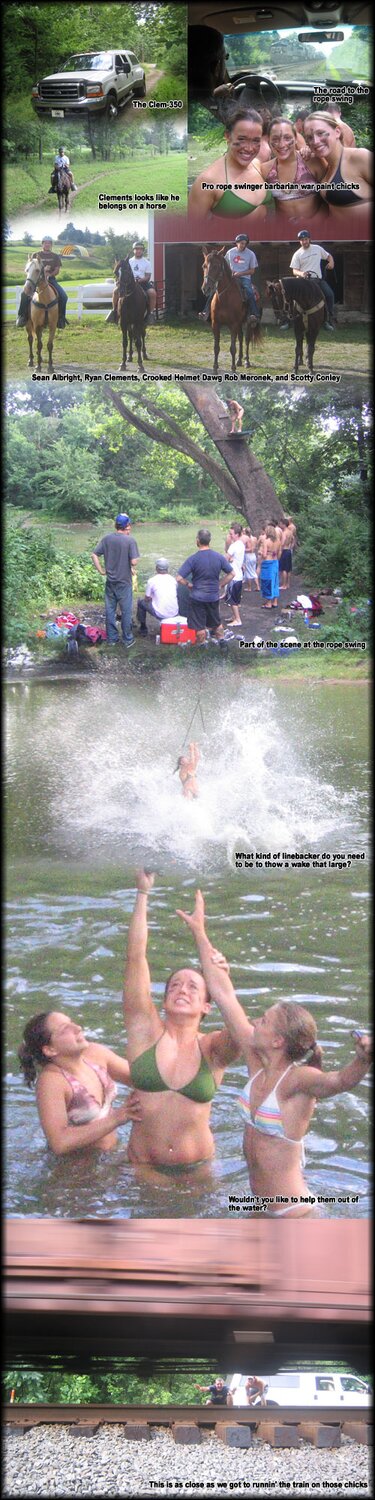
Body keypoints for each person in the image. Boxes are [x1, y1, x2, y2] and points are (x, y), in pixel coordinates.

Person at [175, 889, 372, 1218]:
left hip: (293, 1214)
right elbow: (223, 993)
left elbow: (338, 1081)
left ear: (279, 1040)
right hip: (258, 1207)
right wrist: (200, 933)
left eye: (263, 1021)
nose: (254, 1022)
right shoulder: (257, 1061)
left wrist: (363, 1060)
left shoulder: (297, 1079)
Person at [122, 869, 240, 1167]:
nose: (181, 990)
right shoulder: (145, 1031)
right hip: (142, 1169)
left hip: (198, 1172)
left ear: (206, 1006)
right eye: (174, 985)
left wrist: (218, 969)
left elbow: (239, 1026)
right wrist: (142, 894)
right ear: (163, 1001)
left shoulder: (213, 1048)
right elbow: (136, 957)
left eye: (192, 987)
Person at [18, 1011, 141, 1156]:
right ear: (50, 1049)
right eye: (65, 1029)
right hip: (78, 1171)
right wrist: (118, 1117)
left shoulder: (96, 1054)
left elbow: (143, 1080)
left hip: (112, 1153)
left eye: (72, 1022)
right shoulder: (51, 1081)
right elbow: (59, 1143)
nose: (77, 1028)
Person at [188, 106, 274, 220]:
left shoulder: (257, 165)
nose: (249, 148)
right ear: (227, 136)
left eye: (255, 140)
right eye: (242, 139)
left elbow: (286, 163)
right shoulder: (207, 181)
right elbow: (192, 232)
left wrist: (304, 153)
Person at [302, 112, 372, 228]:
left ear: (337, 132)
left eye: (321, 133)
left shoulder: (359, 157)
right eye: (309, 137)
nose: (315, 141)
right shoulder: (325, 166)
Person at [177, 528, 234, 645]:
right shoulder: (218, 557)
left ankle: (202, 648)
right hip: (213, 596)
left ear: (197, 541)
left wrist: (189, 585)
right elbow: (232, 574)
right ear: (209, 541)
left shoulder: (193, 559)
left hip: (197, 597)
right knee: (217, 623)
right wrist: (220, 584)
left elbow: (178, 578)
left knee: (199, 627)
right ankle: (222, 644)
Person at [91, 512, 139, 648]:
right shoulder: (130, 540)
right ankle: (127, 639)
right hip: (124, 582)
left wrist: (101, 571)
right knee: (126, 611)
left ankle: (112, 639)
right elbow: (134, 562)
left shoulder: (107, 539)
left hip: (110, 582)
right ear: (127, 525)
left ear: (116, 525)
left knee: (110, 610)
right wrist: (132, 562)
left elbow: (94, 554)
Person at [259, 118, 321, 221]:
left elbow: (329, 201)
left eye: (287, 138)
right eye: (275, 139)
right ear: (268, 140)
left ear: (296, 138)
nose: (282, 144)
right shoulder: (265, 169)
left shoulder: (312, 162)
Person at [199, 234, 259, 323]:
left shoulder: (250, 254)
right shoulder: (230, 252)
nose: (243, 245)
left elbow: (252, 271)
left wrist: (240, 273)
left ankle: (254, 314)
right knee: (215, 290)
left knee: (249, 291)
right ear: (237, 243)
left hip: (244, 278)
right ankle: (206, 312)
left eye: (245, 243)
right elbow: (224, 265)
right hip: (231, 277)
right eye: (241, 243)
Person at [16, 236, 68, 329]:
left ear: (51, 245)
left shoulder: (55, 256)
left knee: (64, 296)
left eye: (49, 243)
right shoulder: (35, 255)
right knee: (24, 294)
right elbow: (30, 268)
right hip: (36, 281)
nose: (47, 244)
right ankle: (22, 316)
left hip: (51, 280)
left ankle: (61, 319)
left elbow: (57, 270)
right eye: (45, 243)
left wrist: (50, 275)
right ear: (42, 244)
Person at [289, 229, 335, 330]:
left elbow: (328, 256)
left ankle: (328, 319)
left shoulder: (317, 248)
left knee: (329, 295)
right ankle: (289, 320)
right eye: (302, 240)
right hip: (304, 281)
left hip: (317, 280)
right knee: (292, 298)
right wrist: (302, 273)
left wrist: (331, 263)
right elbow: (294, 271)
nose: (304, 242)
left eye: (306, 239)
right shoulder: (297, 254)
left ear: (309, 239)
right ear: (299, 241)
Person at [106, 240, 156, 325]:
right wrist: (119, 281)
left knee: (152, 293)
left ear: (143, 251)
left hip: (142, 282)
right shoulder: (128, 261)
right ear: (133, 250)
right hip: (127, 283)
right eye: (136, 249)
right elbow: (121, 273)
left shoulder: (147, 262)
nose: (138, 251)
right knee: (115, 291)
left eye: (140, 249)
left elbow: (147, 276)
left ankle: (150, 314)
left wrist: (139, 280)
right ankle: (114, 312)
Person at [136, 559, 179, 637]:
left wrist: (152, 598)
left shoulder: (152, 580)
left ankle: (143, 629)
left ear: (156, 568)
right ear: (167, 569)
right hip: (174, 612)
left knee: (141, 603)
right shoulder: (173, 580)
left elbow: (147, 598)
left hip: (160, 613)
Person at [224, 522, 245, 627]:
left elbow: (225, 559)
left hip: (234, 576)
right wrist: (232, 559)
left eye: (231, 534)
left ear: (237, 534)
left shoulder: (233, 546)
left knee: (233, 600)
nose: (230, 535)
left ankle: (237, 619)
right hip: (239, 575)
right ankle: (234, 616)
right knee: (235, 598)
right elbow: (234, 558)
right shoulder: (241, 544)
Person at [257, 525, 280, 608]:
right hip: (275, 561)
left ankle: (268, 603)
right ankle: (275, 602)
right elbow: (279, 552)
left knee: (267, 581)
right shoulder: (278, 541)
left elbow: (264, 554)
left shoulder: (266, 541)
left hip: (268, 562)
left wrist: (260, 553)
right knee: (275, 581)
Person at [279, 517, 296, 590]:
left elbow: (282, 543)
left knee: (284, 569)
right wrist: (291, 546)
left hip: (284, 550)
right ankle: (288, 584)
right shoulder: (290, 532)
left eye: (281, 524)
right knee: (288, 568)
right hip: (289, 549)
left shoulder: (284, 533)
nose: (280, 525)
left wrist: (279, 548)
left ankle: (284, 585)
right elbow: (293, 540)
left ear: (284, 524)